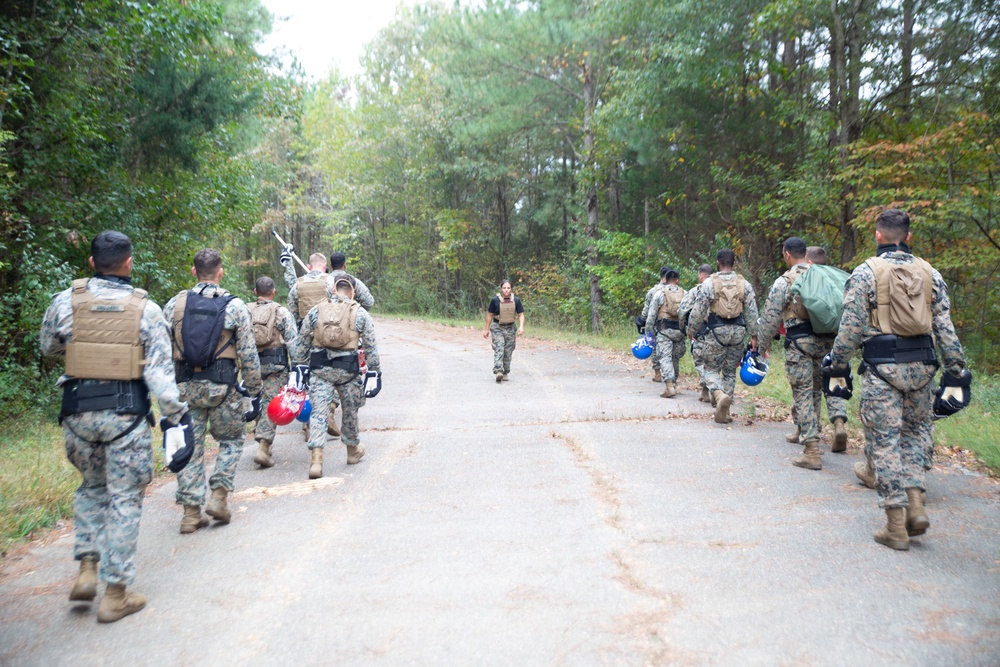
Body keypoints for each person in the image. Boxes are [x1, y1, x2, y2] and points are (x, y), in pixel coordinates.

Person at [40, 231, 190, 623]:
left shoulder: (65, 301)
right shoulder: (147, 309)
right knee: (124, 498)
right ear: (128, 262)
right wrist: (176, 414)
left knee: (91, 488)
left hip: (76, 414)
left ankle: (87, 568)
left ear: (91, 263)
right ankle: (115, 593)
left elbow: (48, 348)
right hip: (125, 416)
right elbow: (159, 373)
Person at [826, 209, 968, 550]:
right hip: (923, 368)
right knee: (916, 434)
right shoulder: (930, 273)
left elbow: (851, 326)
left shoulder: (865, 273)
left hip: (881, 368)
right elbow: (944, 327)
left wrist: (837, 363)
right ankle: (916, 502)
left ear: (877, 236)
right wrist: (955, 368)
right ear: (908, 236)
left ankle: (895, 525)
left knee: (885, 441)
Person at [164, 249, 262, 534]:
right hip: (223, 388)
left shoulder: (174, 305)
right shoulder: (234, 306)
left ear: (194, 272)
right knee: (231, 441)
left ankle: (191, 513)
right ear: (220, 272)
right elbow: (247, 353)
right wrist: (254, 389)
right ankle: (219, 496)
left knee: (188, 448)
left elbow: (160, 350)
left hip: (183, 389)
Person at [756, 238, 840, 470]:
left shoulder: (785, 281)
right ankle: (809, 431)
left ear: (786, 255)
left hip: (800, 345)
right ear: (806, 254)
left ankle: (812, 450)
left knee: (803, 394)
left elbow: (771, 316)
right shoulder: (823, 276)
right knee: (815, 390)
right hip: (827, 344)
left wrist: (763, 345)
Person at [290, 275, 381, 477]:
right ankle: (352, 450)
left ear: (332, 290)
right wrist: (375, 373)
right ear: (353, 292)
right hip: (348, 371)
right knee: (350, 411)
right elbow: (371, 347)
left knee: (319, 414)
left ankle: (316, 460)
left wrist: (299, 368)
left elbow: (300, 345)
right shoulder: (360, 313)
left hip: (320, 371)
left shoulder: (316, 311)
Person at [784, 246, 849, 452]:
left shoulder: (801, 278)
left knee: (805, 389)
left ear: (809, 262)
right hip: (832, 342)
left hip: (804, 341)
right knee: (831, 384)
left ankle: (808, 435)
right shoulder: (834, 280)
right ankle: (839, 422)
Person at [686, 249, 759, 423]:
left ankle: (719, 396)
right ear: (734, 262)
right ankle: (725, 413)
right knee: (729, 371)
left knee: (710, 368)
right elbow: (752, 312)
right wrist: (755, 337)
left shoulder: (710, 283)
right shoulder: (744, 284)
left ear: (718, 262)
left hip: (716, 331)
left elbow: (698, 311)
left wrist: (691, 331)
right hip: (738, 332)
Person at [247, 276, 298, 468]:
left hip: (251, 365)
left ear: (255, 292)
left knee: (256, 401)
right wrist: (297, 367)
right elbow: (292, 341)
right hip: (275, 366)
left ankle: (263, 443)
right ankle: (263, 445)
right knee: (270, 403)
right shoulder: (281, 312)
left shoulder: (245, 310)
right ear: (273, 292)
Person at [645, 268, 686, 398]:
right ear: (677, 281)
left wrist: (648, 332)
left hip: (664, 330)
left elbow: (651, 315)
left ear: (665, 280)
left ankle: (669, 385)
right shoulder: (685, 293)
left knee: (665, 357)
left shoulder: (659, 293)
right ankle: (674, 383)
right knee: (675, 358)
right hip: (680, 331)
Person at [679, 264, 714, 403]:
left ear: (701, 275)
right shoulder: (720, 288)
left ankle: (710, 390)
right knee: (714, 362)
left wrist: (684, 328)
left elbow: (682, 310)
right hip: (719, 331)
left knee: (700, 360)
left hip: (701, 330)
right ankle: (708, 391)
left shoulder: (696, 290)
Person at [483, 280, 525, 382]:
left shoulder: (516, 300)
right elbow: (489, 315)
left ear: (511, 289)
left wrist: (521, 327)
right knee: (499, 347)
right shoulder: (495, 300)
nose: (506, 290)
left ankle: (505, 371)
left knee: (508, 351)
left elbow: (521, 315)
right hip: (497, 327)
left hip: (510, 328)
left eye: (508, 288)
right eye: (504, 288)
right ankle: (498, 371)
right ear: (501, 289)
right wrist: (487, 329)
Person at [640, 267, 670, 383]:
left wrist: (643, 320)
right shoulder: (676, 291)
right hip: (672, 325)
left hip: (656, 324)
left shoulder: (653, 291)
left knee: (655, 348)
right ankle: (671, 373)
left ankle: (658, 373)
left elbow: (646, 310)